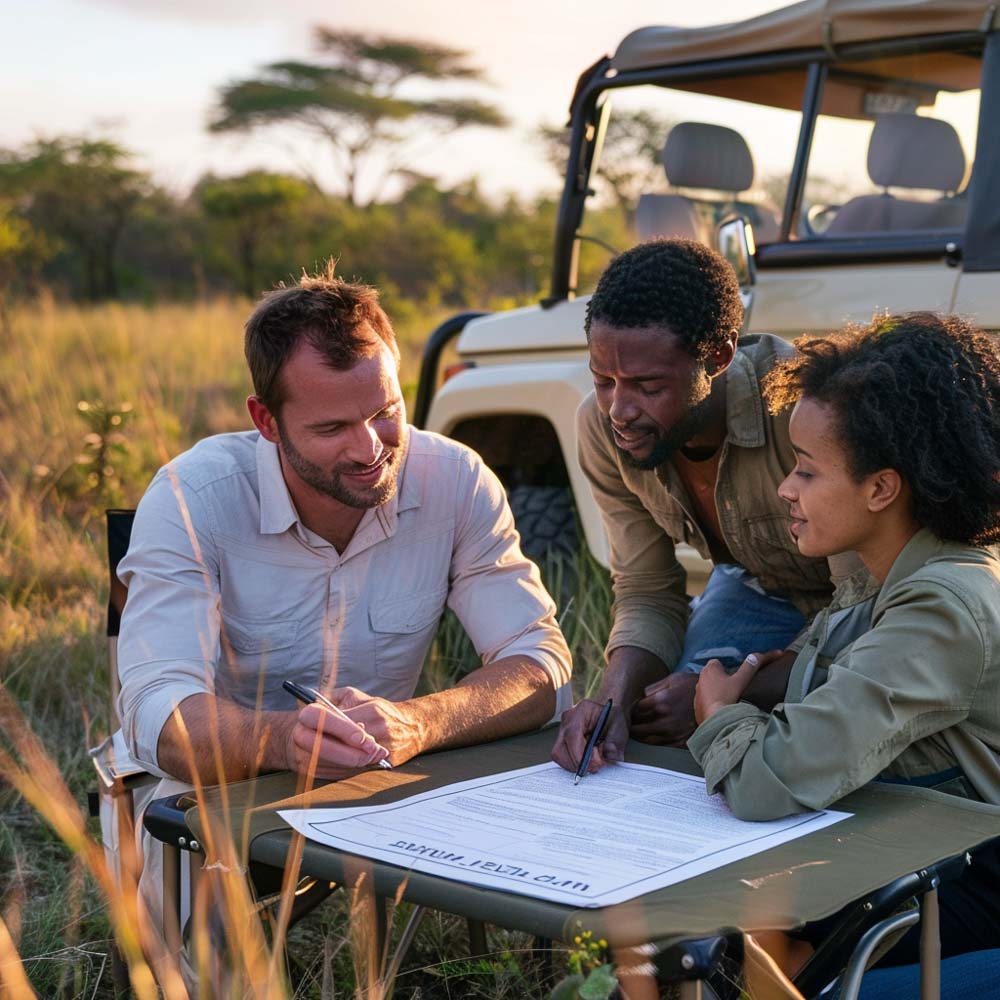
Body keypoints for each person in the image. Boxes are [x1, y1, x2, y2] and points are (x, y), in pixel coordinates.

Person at [117, 264, 572, 973]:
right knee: (183, 937)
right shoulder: (191, 495)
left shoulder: (456, 478)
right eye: (332, 427)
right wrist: (280, 740)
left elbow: (542, 667)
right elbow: (156, 715)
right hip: (219, 781)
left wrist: (421, 722)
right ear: (264, 421)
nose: (369, 448)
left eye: (385, 410)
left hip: (391, 773)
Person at [690, 311, 1000, 964]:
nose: (784, 488)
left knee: (747, 947)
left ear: (883, 487)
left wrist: (717, 714)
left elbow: (767, 781)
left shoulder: (943, 602)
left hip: (983, 877)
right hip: (939, 844)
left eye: (806, 469)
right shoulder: (899, 568)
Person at [552, 238, 852, 777]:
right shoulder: (601, 430)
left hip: (878, 600)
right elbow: (645, 588)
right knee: (657, 718)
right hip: (761, 585)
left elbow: (864, 605)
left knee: (804, 733)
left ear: (718, 356)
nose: (619, 409)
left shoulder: (805, 408)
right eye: (603, 381)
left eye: (647, 386)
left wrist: (739, 691)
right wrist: (613, 700)